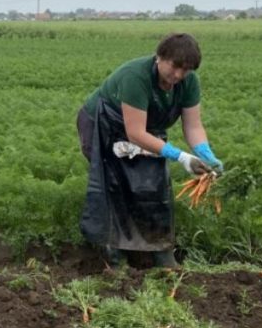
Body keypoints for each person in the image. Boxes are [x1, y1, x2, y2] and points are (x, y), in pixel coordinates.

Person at [77, 33, 223, 269]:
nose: (178, 75)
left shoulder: (188, 82)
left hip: (144, 128)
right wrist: (181, 156)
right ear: (160, 57)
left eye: (185, 70)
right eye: (175, 66)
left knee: (154, 184)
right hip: (103, 124)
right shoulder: (136, 77)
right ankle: (114, 256)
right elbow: (135, 133)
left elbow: (193, 125)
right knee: (115, 184)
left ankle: (160, 251)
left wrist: (206, 154)